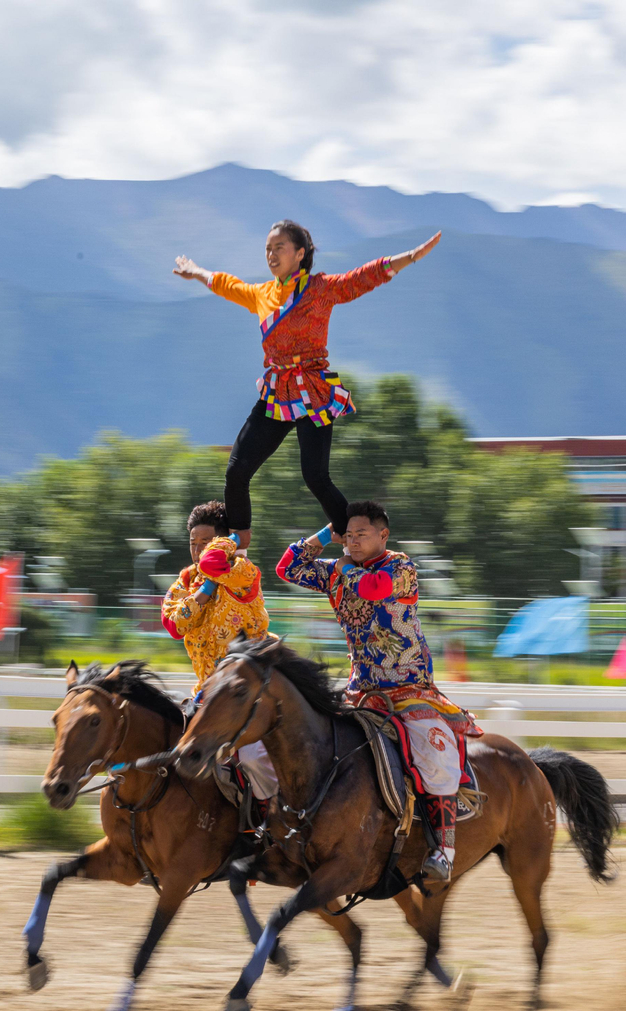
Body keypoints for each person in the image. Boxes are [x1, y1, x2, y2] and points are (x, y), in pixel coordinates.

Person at [173, 221, 441, 549]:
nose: (271, 255)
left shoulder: (320, 289)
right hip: (276, 394)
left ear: (300, 253)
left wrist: (411, 256)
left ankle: (357, 542)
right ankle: (238, 549)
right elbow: (224, 284)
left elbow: (362, 278)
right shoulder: (262, 294)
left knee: (315, 476)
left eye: (279, 248)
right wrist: (195, 270)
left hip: (312, 392)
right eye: (268, 249)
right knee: (236, 472)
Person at [275, 500, 482, 882]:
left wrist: (341, 565)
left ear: (383, 535)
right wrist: (325, 535)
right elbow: (286, 567)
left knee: (433, 754)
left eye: (361, 535)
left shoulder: (400, 566)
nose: (352, 542)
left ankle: (444, 848)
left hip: (409, 685)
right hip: (361, 687)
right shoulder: (339, 569)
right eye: (348, 535)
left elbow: (372, 590)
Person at [161, 500, 277, 800]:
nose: (198, 550)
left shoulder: (242, 571)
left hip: (249, 695)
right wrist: (205, 590)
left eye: (206, 542)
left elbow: (213, 564)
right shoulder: (185, 581)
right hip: (206, 694)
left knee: (253, 759)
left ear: (222, 543)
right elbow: (175, 625)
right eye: (193, 543)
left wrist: (236, 540)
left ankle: (273, 822)